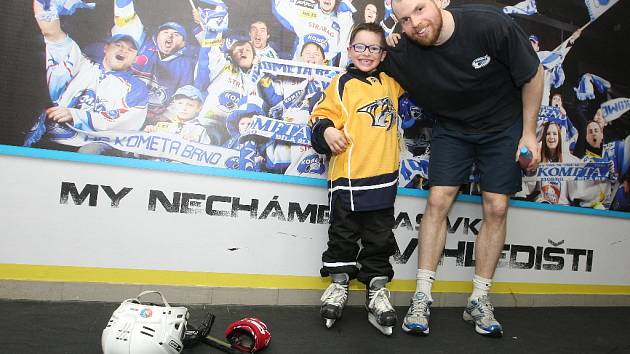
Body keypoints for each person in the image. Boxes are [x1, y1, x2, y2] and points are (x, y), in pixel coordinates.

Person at [384, 0, 543, 337]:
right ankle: (422, 296)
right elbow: (367, 61)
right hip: (453, 128)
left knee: (496, 207)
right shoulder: (404, 50)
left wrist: (529, 132)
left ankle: (479, 300)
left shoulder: (489, 24)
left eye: (420, 9)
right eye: (404, 19)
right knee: (438, 201)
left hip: (503, 126)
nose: (415, 23)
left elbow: (533, 73)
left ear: (440, 1)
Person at [309, 23, 405, 336]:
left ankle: (377, 293)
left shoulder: (391, 82)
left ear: (383, 54)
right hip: (347, 180)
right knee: (342, 237)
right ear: (350, 50)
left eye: (374, 48)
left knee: (379, 241)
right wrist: (327, 130)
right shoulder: (341, 83)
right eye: (360, 47)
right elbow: (319, 116)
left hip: (382, 180)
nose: (366, 53)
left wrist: (398, 43)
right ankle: (338, 286)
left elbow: (414, 63)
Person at [30, 0, 148, 156]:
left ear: (135, 59)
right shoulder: (81, 62)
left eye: (130, 49)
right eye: (118, 45)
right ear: (106, 48)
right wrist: (44, 5)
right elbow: (51, 33)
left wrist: (75, 115)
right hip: (53, 135)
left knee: (89, 152)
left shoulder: (137, 87)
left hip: (92, 144)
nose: (123, 50)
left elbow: (128, 124)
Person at [113, 0, 196, 118]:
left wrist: (163, 119)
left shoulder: (185, 64)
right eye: (165, 32)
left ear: (183, 43)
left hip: (153, 119)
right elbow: (126, 23)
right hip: (120, 108)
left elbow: (183, 97)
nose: (170, 36)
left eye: (176, 34)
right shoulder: (141, 45)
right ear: (157, 36)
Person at [272, 0, 355, 66]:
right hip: (298, 73)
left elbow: (345, 48)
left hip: (324, 78)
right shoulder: (305, 11)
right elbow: (279, 5)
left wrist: (345, 9)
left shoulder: (343, 19)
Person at [143, 85, 213, 145]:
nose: (184, 108)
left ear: (199, 108)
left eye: (190, 105)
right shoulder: (161, 125)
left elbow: (206, 155)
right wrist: (148, 134)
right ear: (174, 104)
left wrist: (196, 144)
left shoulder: (200, 131)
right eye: (180, 103)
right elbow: (143, 151)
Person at [534, 122, 578, 205]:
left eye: (554, 134)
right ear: (544, 137)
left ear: (559, 137)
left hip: (563, 209)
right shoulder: (538, 159)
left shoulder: (569, 160)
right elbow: (533, 189)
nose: (551, 137)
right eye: (548, 134)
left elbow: (576, 191)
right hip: (542, 208)